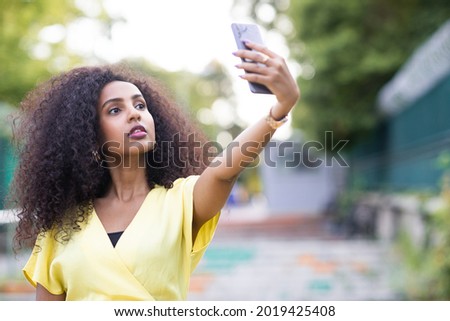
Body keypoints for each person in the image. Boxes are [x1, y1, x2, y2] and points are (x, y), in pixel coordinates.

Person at [9, 40, 300, 300]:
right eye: (114, 110)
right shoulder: (62, 225)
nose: (135, 113)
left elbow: (223, 170)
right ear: (90, 136)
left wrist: (280, 108)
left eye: (140, 105)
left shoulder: (182, 203)